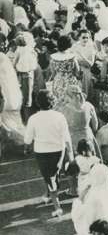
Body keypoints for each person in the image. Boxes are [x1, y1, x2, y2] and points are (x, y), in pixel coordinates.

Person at [24, 89, 73, 218]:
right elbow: (67, 137)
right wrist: (71, 153)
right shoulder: (60, 116)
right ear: (53, 101)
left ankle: (57, 207)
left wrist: (27, 145)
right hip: (59, 150)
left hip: (42, 152)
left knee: (49, 177)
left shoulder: (33, 118)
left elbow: (27, 139)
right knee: (53, 174)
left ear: (38, 103)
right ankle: (47, 195)